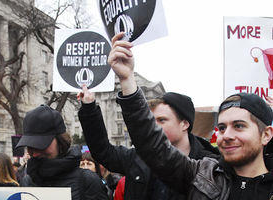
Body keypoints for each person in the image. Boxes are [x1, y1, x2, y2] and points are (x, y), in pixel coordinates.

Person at [108, 32, 273, 199]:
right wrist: (127, 78)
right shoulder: (203, 176)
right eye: (222, 128)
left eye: (239, 126)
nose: (227, 135)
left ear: (266, 134)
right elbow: (151, 144)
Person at [78, 76, 218, 199]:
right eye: (152, 120)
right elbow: (102, 151)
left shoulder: (210, 166)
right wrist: (89, 108)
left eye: (162, 120)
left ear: (184, 124)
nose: (154, 126)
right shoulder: (137, 157)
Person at [15, 104, 109, 200]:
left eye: (41, 145)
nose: (34, 153)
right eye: (30, 146)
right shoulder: (27, 181)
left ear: (60, 141)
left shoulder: (87, 181)